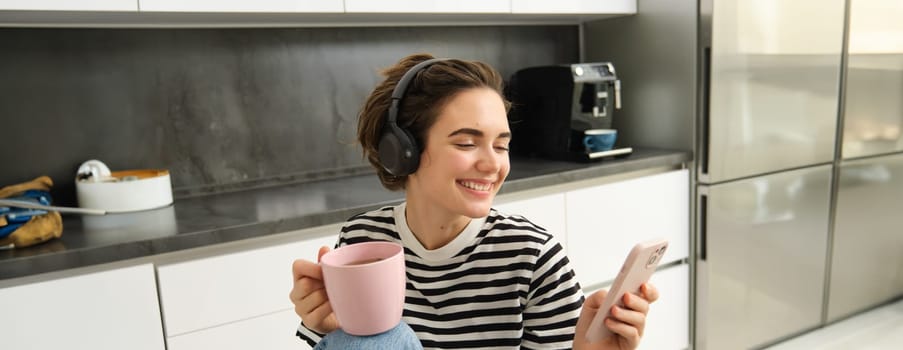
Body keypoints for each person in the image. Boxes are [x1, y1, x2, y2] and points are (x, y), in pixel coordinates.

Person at [290, 53, 659, 349]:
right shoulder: (362, 241)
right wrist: (323, 326)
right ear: (403, 150)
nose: (492, 164)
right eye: (466, 143)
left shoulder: (532, 256)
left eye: (502, 145)